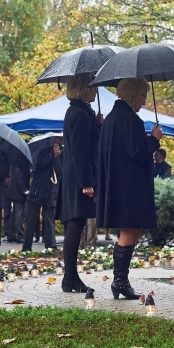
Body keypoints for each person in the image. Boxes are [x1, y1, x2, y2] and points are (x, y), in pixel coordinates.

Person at [97, 76, 163, 299]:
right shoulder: (128, 119)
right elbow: (137, 152)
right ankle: (120, 281)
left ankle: (121, 280)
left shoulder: (113, 118)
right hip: (130, 185)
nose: (144, 102)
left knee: (134, 229)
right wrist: (154, 140)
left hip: (120, 183)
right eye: (143, 96)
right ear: (133, 95)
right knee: (129, 230)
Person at [59, 73, 102, 293]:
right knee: (75, 225)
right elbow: (79, 151)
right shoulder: (78, 113)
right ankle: (70, 278)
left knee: (76, 225)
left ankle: (71, 277)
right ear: (83, 88)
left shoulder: (83, 112)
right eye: (92, 86)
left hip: (77, 177)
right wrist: (87, 182)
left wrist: (99, 126)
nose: (95, 90)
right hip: (79, 179)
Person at [22, 139, 62, 252]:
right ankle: (26, 247)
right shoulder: (42, 152)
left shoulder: (61, 155)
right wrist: (52, 156)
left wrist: (56, 157)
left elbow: (60, 172)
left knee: (49, 220)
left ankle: (50, 246)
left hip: (50, 191)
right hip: (37, 190)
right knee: (31, 220)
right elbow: (39, 165)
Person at [5, 164, 30, 243]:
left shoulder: (16, 165)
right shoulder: (19, 165)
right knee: (19, 213)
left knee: (15, 213)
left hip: (15, 191)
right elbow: (19, 178)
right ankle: (20, 235)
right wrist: (25, 190)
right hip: (18, 192)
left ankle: (10, 234)